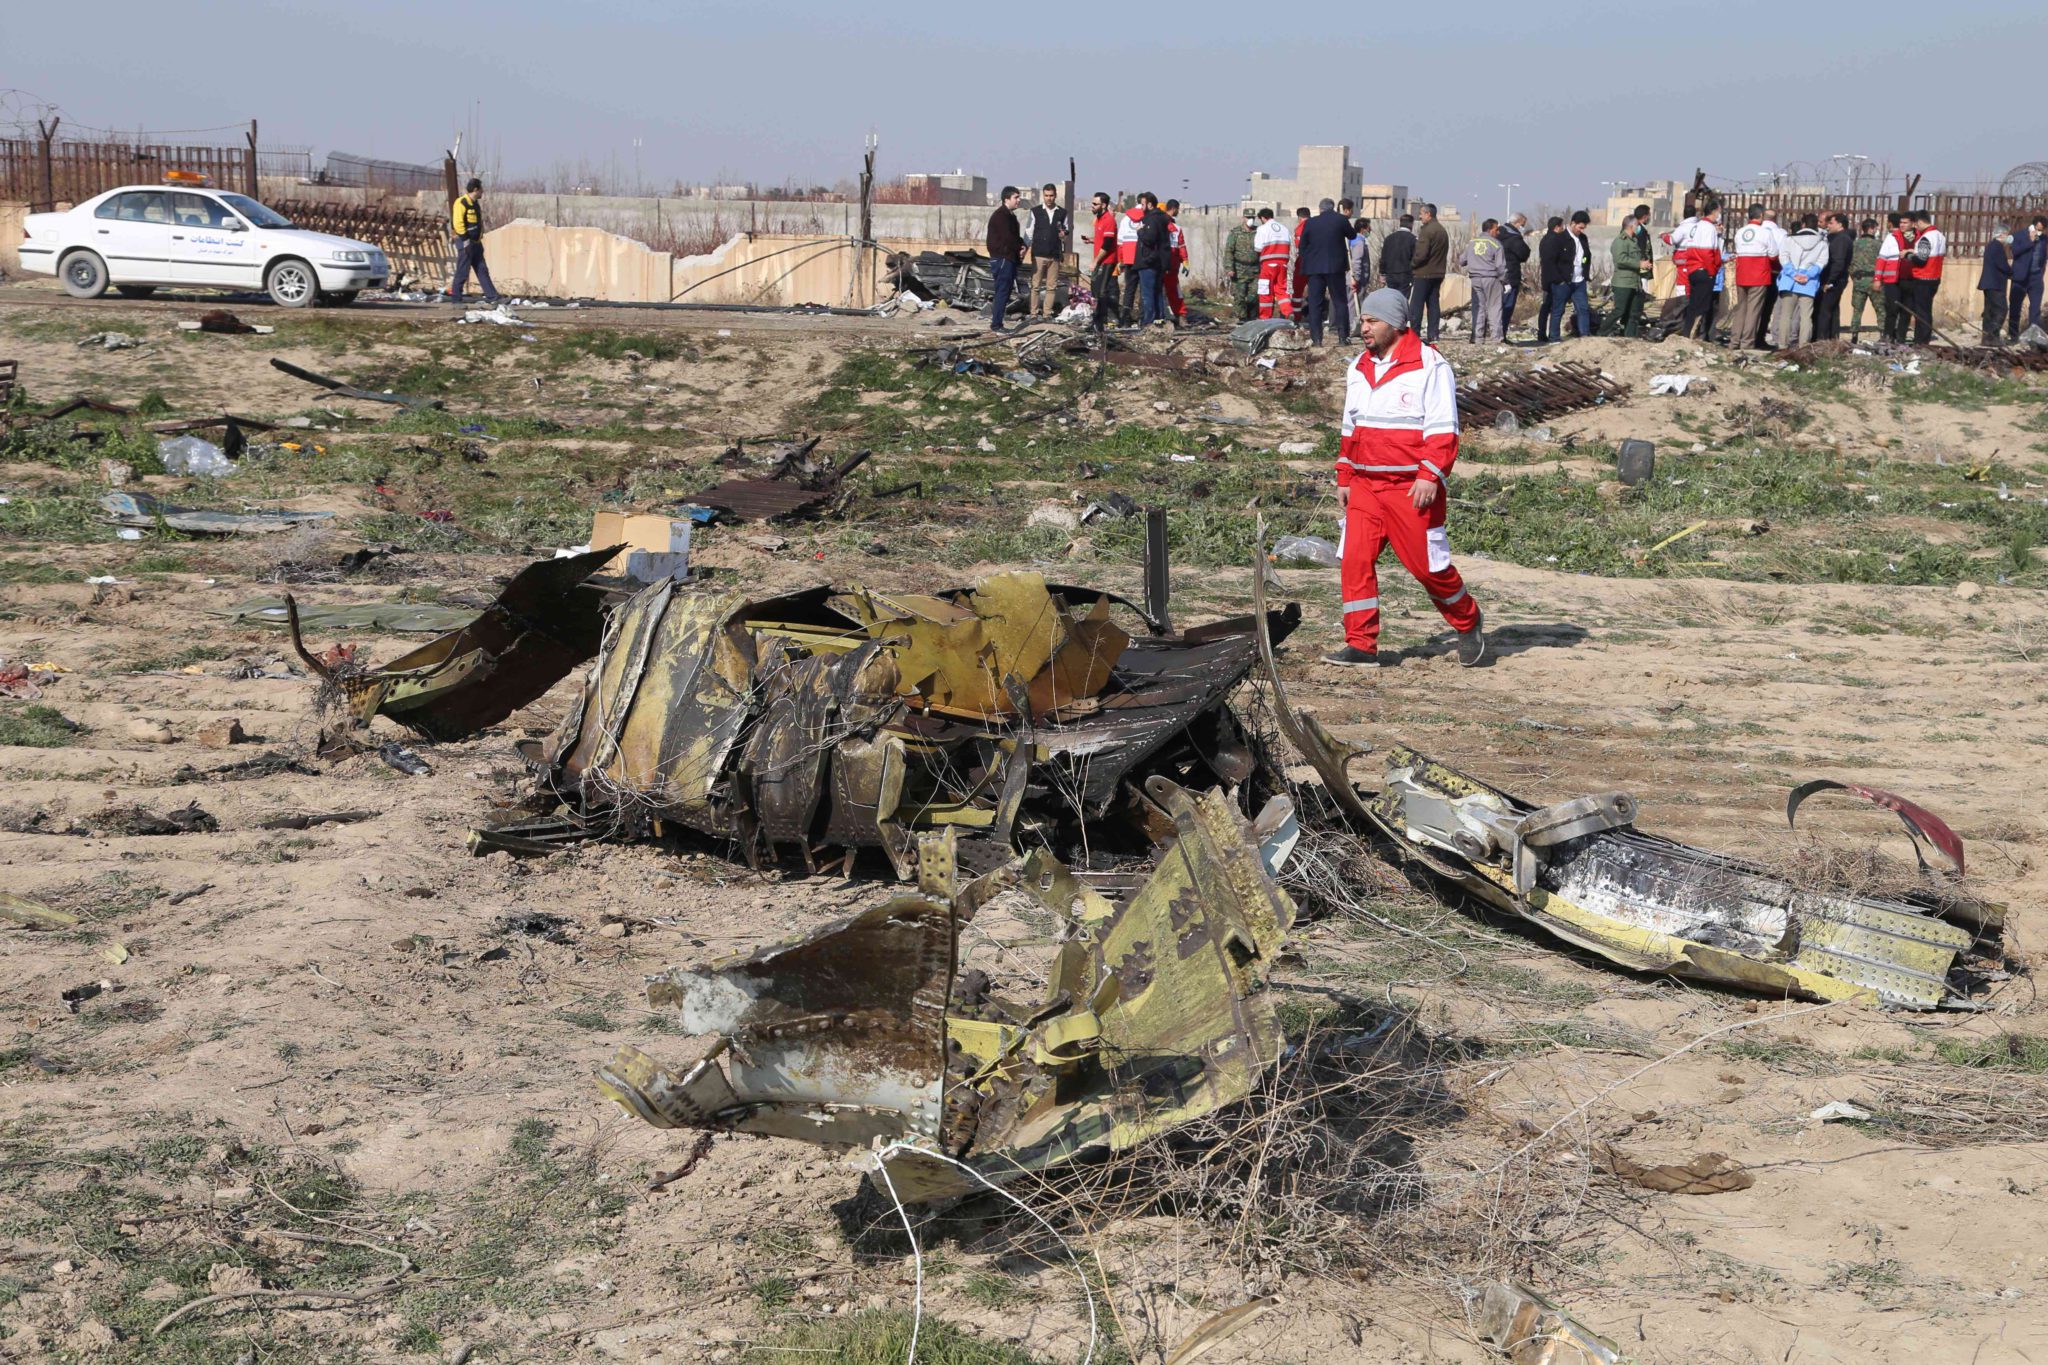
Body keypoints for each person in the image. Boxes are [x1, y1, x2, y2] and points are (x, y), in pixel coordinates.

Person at [1323, 288, 1487, 669]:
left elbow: (1444, 428)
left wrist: (1430, 475)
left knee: (1427, 568)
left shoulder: (1431, 366)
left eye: (1372, 321)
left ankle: (1468, 619)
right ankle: (1361, 644)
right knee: (1354, 561)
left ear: (1396, 324)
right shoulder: (1358, 367)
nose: (1364, 328)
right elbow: (1351, 427)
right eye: (1363, 320)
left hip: (1411, 487)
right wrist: (1345, 474)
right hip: (1365, 486)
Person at [1297, 198, 1356, 346]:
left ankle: (1316, 339)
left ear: (1320, 209)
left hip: (1314, 269)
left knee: (1315, 304)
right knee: (1340, 302)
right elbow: (1352, 235)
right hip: (1335, 268)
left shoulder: (1310, 222)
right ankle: (1343, 337)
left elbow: (1302, 246)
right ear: (1333, 207)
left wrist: (1308, 260)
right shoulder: (1340, 220)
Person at [1771, 213, 1827, 348]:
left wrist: (1793, 274)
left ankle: (1782, 345)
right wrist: (1808, 275)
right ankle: (1804, 346)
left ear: (1803, 224)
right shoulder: (1822, 243)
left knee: (1786, 315)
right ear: (1816, 225)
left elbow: (1784, 258)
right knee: (1806, 317)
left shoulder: (1789, 240)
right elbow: (1821, 262)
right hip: (1809, 283)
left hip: (1789, 281)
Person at [444, 178, 500, 306]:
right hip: (466, 242)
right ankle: (456, 300)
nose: (482, 192)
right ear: (476, 189)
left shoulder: (474, 203)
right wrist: (465, 240)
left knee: (482, 269)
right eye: (481, 189)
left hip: (476, 242)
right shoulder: (461, 202)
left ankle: (493, 297)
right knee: (462, 271)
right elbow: (458, 223)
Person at [1672, 206, 1723, 341]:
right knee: (1702, 306)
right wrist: (1712, 272)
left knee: (1694, 304)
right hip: (1703, 270)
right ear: (1714, 211)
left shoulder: (1696, 226)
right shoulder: (1708, 228)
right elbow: (1707, 253)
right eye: (1719, 212)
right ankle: (1696, 334)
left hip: (1693, 269)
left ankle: (1687, 333)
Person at [1730, 205, 1776, 350]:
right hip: (1759, 275)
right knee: (1753, 311)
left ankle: (1734, 341)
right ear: (1761, 215)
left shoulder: (1740, 232)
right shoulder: (1765, 233)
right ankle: (1747, 342)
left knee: (1740, 309)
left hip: (1742, 274)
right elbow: (1773, 255)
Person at [1026, 183, 1069, 320]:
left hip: (1054, 255)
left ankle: (1047, 314)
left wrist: (1063, 235)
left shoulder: (1062, 213)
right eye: (1046, 195)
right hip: (1038, 254)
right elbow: (1029, 232)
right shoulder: (1035, 211)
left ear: (1055, 196)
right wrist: (1024, 248)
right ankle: (1033, 314)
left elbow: (1066, 230)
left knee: (1051, 287)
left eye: (1051, 195)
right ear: (1043, 196)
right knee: (1035, 286)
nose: (1049, 198)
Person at [1408, 203, 1450, 342]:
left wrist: (1412, 264)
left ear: (1428, 214)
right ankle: (1433, 334)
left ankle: (1414, 334)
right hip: (1438, 272)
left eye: (1421, 213)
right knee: (1433, 304)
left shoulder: (1427, 231)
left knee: (1417, 304)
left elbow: (1421, 254)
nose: (1420, 217)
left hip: (1424, 273)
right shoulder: (1442, 230)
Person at [985, 186, 1025, 333]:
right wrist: (1019, 247)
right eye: (1016, 197)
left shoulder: (1010, 216)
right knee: (1002, 291)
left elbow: (1014, 236)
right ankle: (996, 325)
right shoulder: (1001, 216)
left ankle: (998, 323)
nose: (1019, 200)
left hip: (1008, 258)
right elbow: (1008, 238)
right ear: (1006, 199)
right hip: (1002, 259)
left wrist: (1022, 245)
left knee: (1005, 291)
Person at [1904, 210, 1946, 345]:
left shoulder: (1925, 237)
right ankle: (1924, 339)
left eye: (1916, 224)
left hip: (1923, 278)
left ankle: (1921, 340)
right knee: (1926, 310)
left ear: (1920, 222)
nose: (1915, 227)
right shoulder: (1940, 236)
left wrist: (1907, 255)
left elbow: (1921, 260)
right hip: (1935, 277)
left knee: (1921, 312)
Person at [1462, 218, 1507, 344]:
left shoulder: (1472, 243)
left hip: (1475, 279)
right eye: (1496, 229)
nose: (1498, 232)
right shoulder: (1496, 244)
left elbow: (1462, 261)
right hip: (1491, 278)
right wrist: (1504, 281)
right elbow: (1500, 266)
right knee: (1494, 308)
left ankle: (1478, 337)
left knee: (1478, 308)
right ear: (1490, 230)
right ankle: (1496, 338)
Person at [1132, 193, 1172, 328]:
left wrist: (1140, 231)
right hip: (1157, 261)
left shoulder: (1152, 220)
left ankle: (1148, 322)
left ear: (1149, 205)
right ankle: (1159, 320)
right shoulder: (1160, 218)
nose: (1141, 207)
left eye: (1143, 204)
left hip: (1149, 262)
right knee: (1157, 292)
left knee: (1148, 293)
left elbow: (1149, 239)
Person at [1815, 212, 1855, 340]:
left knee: (1824, 311)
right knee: (1832, 310)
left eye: (1831, 223)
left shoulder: (1841, 239)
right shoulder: (1837, 237)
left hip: (1835, 280)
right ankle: (1832, 338)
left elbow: (1838, 262)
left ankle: (1822, 340)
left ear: (1840, 225)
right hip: (1837, 279)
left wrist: (1830, 281)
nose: (1828, 226)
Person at [1605, 217, 1648, 337]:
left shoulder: (1633, 240)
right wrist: (1639, 264)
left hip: (1634, 282)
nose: (1639, 228)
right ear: (1631, 226)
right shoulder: (1620, 241)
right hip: (1623, 283)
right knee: (1619, 311)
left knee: (1634, 313)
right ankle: (1602, 332)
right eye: (1637, 225)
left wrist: (1644, 264)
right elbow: (1620, 260)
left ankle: (1630, 336)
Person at [1087, 191, 1120, 334]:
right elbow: (1102, 240)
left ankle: (1101, 323)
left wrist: (1095, 261)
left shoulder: (1109, 220)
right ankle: (1096, 321)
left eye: (1095, 204)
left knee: (1101, 291)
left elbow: (1107, 245)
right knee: (1095, 291)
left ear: (1104, 205)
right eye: (1092, 203)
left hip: (1106, 261)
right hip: (1100, 261)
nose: (1092, 206)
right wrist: (1092, 240)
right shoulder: (1099, 219)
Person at [1979, 223, 2016, 346]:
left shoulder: (1991, 246)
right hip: (1995, 283)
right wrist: (2012, 273)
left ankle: (1986, 338)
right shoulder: (1997, 247)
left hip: (1989, 283)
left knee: (1990, 311)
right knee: (2001, 309)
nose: (2008, 237)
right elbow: (2002, 265)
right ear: (2002, 234)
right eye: (2007, 234)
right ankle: (1992, 336)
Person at [1848, 218, 1884, 340]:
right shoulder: (1879, 245)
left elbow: (1850, 263)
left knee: (1857, 310)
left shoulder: (1854, 244)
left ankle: (1854, 336)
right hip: (1875, 281)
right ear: (1871, 229)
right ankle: (1883, 334)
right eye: (1875, 228)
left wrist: (1854, 277)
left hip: (1859, 280)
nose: (1876, 230)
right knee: (1880, 309)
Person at [1877, 212, 1911, 342]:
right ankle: (1888, 336)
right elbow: (1882, 259)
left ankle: (1901, 338)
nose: (1902, 225)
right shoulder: (1891, 237)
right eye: (1901, 222)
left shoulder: (1916, 238)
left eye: (1905, 223)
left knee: (1906, 311)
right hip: (1892, 281)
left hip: (1909, 279)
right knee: (1891, 309)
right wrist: (1877, 279)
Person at [1254, 208, 1293, 318]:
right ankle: (1288, 312)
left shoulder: (1262, 229)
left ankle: (1265, 318)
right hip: (1283, 264)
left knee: (1265, 290)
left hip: (1268, 264)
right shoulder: (1284, 229)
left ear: (1262, 218)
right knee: (1281, 290)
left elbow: (1258, 248)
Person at [1536, 216, 1570, 343]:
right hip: (1555, 280)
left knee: (1546, 307)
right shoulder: (1556, 240)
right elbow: (1553, 261)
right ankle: (1554, 336)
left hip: (1546, 279)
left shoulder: (1545, 239)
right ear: (1557, 227)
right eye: (1562, 226)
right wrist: (1560, 279)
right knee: (1557, 309)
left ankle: (1542, 333)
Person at [1560, 211, 1593, 337]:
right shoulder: (1562, 238)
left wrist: (1584, 270)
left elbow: (1586, 257)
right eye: (1580, 227)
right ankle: (1554, 336)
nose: (1581, 230)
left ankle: (1585, 334)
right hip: (1565, 281)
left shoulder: (1583, 238)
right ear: (1573, 223)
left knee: (1583, 308)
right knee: (1559, 309)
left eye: (1583, 228)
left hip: (1579, 281)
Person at [1224, 209, 1261, 321]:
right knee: (1239, 296)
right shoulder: (1235, 232)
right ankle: (1241, 318)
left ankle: (1251, 317)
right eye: (1248, 217)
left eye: (1252, 217)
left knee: (1254, 296)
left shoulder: (1258, 231)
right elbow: (1229, 251)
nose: (1250, 220)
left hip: (1255, 269)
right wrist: (1229, 268)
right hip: (1239, 269)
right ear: (1243, 218)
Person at [2014, 216, 2047, 338]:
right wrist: (2030, 241)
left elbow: (2043, 257)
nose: (2038, 232)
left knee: (2035, 309)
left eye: (2041, 230)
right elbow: (2015, 251)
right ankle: (2013, 335)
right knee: (2015, 307)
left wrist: (2040, 273)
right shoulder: (2019, 236)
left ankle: (2033, 335)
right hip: (2021, 277)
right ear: (2032, 226)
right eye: (2037, 229)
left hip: (2036, 277)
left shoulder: (2044, 239)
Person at [1498, 212, 1530, 337]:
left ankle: (1491, 334)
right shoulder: (1515, 238)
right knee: (1507, 306)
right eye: (1523, 224)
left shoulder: (1496, 234)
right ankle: (1502, 334)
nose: (1523, 227)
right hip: (1510, 275)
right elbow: (1524, 253)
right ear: (1517, 223)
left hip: (1494, 275)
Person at [1116, 197, 1145, 326]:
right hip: (1143, 258)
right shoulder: (1147, 217)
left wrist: (1120, 260)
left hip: (1128, 258)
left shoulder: (1125, 219)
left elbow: (1120, 242)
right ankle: (1143, 318)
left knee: (1129, 289)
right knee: (1144, 289)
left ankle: (1125, 319)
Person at [1161, 199, 1189, 329]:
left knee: (1174, 292)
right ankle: (1164, 316)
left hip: (1172, 266)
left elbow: (1181, 245)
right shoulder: (1161, 225)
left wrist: (1185, 261)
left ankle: (1180, 315)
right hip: (1163, 264)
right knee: (1165, 292)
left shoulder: (1176, 229)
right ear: (1174, 209)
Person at [1381, 214, 1416, 297]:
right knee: (1402, 299)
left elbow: (1383, 257)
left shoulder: (1389, 238)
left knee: (1392, 298)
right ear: (1411, 224)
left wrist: (1382, 273)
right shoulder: (1413, 239)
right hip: (1405, 274)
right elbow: (1415, 258)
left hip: (1390, 274)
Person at [1348, 217, 1374, 325]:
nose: (1370, 229)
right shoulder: (1359, 242)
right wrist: (1356, 277)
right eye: (1369, 227)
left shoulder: (1353, 240)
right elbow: (1356, 261)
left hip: (1354, 277)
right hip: (1358, 278)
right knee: (1355, 303)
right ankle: (1353, 325)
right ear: (1363, 229)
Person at [1291, 206, 1312, 317]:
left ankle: (1297, 315)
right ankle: (1315, 315)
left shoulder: (1300, 228)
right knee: (1315, 290)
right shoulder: (1315, 225)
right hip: (1315, 262)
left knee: (1297, 290)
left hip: (1303, 262)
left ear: (1299, 217)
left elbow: (1299, 245)